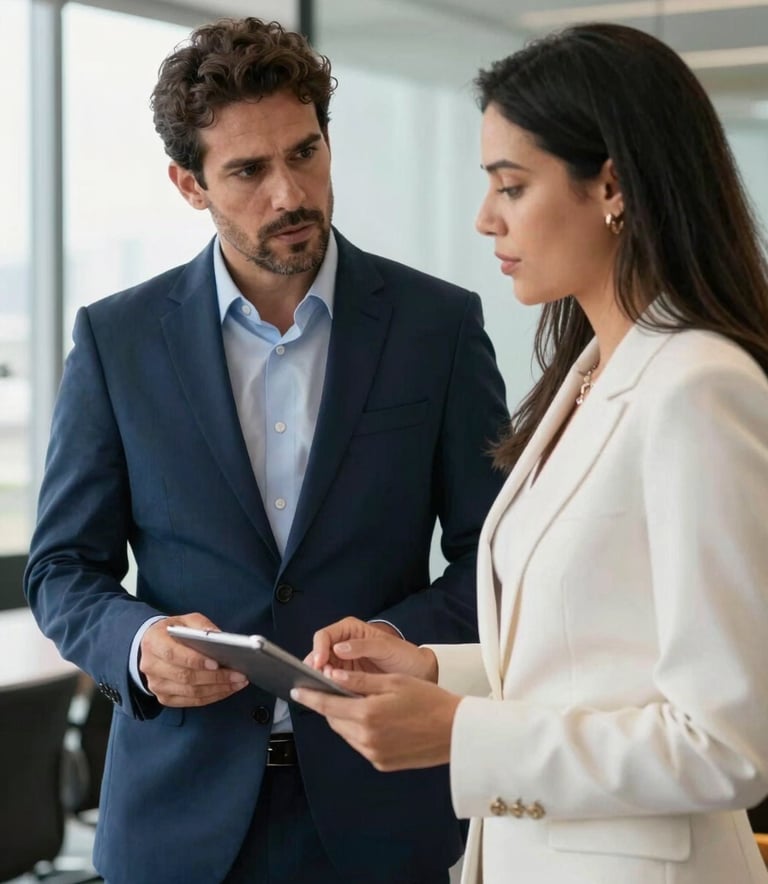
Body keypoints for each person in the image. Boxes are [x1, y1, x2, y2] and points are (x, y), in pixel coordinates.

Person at [24, 17, 508, 884]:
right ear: (189, 183)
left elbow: (496, 560)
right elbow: (62, 567)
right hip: (177, 820)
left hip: (384, 807)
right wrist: (141, 645)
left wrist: (396, 640)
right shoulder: (117, 340)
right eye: (248, 170)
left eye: (305, 151)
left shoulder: (437, 326)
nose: (290, 193)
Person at [294, 22, 768, 884]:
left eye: (511, 186)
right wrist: (434, 668)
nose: (484, 219)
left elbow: (726, 744)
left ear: (613, 185)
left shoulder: (700, 388)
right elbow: (597, 656)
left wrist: (457, 733)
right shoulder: (588, 371)